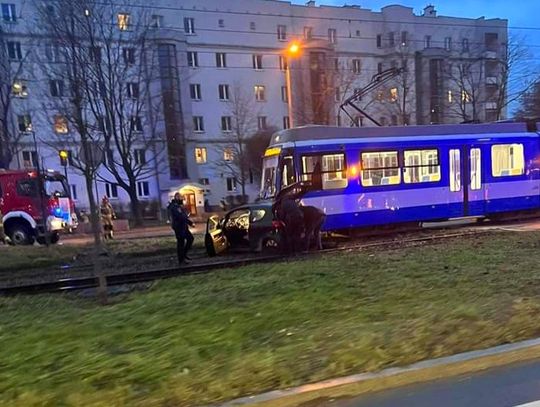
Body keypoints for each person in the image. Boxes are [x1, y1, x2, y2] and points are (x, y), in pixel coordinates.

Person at [168, 192, 194, 266]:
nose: (182, 199)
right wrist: (190, 222)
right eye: (180, 197)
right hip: (179, 228)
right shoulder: (174, 206)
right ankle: (181, 260)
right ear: (176, 197)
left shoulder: (179, 206)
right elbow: (181, 217)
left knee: (190, 238)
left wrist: (190, 223)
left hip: (184, 227)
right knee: (181, 243)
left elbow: (184, 216)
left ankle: (184, 254)